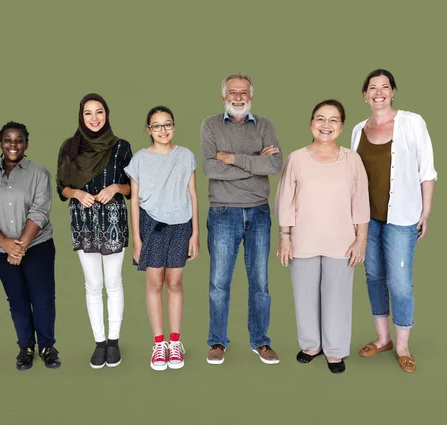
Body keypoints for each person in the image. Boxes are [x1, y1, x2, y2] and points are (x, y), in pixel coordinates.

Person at [352, 69, 437, 373]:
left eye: (384, 87)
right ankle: (382, 338)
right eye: (372, 87)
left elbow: (427, 170)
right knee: (373, 277)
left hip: (401, 218)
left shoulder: (412, 123)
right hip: (367, 220)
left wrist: (425, 212)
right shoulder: (359, 129)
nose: (378, 92)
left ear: (393, 91)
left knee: (399, 283)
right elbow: (353, 177)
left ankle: (402, 346)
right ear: (365, 94)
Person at [275, 100, 370, 374]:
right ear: (310, 124)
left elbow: (361, 201)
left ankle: (335, 351)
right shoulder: (296, 159)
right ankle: (310, 345)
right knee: (304, 295)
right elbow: (285, 202)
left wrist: (361, 238)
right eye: (320, 118)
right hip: (302, 240)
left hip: (342, 242)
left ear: (341, 126)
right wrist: (284, 237)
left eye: (333, 120)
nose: (325, 125)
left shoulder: (352, 160)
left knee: (337, 298)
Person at [201, 73, 282, 365]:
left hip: (259, 211)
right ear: (223, 97)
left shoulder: (265, 125)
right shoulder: (210, 125)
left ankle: (260, 341)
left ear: (251, 96)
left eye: (243, 91)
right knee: (219, 283)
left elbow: (273, 164)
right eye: (232, 92)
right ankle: (217, 341)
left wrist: (233, 158)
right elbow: (210, 169)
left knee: (260, 282)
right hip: (223, 211)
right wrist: (254, 162)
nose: (238, 96)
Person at [0, 122, 60, 371]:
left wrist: (19, 246)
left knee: (42, 298)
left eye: (19, 140)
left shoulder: (39, 173)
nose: (13, 144)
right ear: (0, 143)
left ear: (26, 144)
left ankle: (47, 346)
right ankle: (26, 347)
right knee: (17, 299)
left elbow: (40, 210)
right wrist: (6, 245)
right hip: (0, 251)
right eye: (8, 140)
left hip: (38, 246)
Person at [57, 93, 132, 369]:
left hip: (113, 221)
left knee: (113, 283)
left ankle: (114, 342)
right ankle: (99, 342)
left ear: (107, 114)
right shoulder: (70, 147)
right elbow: (61, 187)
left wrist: (115, 188)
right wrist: (76, 192)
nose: (94, 118)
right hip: (84, 223)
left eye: (99, 112)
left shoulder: (122, 147)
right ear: (81, 116)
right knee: (92, 285)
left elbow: (133, 187)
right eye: (88, 113)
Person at [125, 106, 199, 371]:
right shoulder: (139, 159)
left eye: (167, 124)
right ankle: (159, 343)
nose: (163, 130)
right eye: (156, 126)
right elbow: (134, 201)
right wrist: (137, 240)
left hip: (180, 224)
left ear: (174, 126)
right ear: (149, 130)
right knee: (155, 283)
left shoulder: (186, 156)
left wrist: (195, 233)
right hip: (151, 224)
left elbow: (193, 195)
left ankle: (175, 341)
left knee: (175, 282)